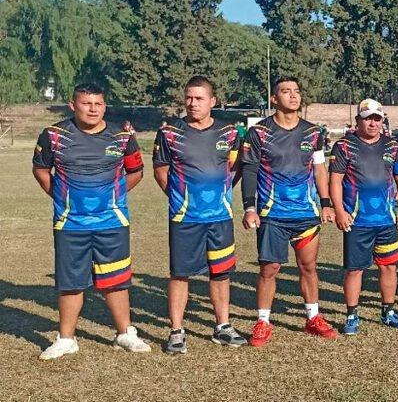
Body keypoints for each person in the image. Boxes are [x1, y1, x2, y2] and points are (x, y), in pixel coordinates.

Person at [33, 83, 150, 360]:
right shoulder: (53, 135)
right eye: (86, 103)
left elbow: (136, 172)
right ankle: (66, 339)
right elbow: (40, 170)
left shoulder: (122, 136)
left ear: (105, 106)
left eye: (98, 104)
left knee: (116, 279)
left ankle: (124, 334)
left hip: (112, 221)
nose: (93, 109)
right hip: (70, 223)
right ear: (73, 105)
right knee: (70, 281)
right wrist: (62, 197)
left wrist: (112, 198)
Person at [152, 76, 247, 354]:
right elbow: (161, 169)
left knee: (220, 273)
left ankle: (223, 327)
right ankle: (177, 331)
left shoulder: (229, 133)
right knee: (180, 274)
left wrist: (222, 195)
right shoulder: (170, 132)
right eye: (189, 98)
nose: (193, 104)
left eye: (199, 98)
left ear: (212, 102)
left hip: (219, 217)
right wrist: (179, 197)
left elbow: (235, 169)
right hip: (185, 218)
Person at [240, 76, 337, 347]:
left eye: (296, 91)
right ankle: (262, 322)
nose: (293, 96)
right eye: (285, 91)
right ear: (274, 98)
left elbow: (319, 168)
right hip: (272, 214)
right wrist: (250, 207)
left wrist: (326, 202)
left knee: (308, 267)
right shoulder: (259, 133)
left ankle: (313, 318)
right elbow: (249, 169)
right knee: (269, 269)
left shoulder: (313, 132)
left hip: (306, 212)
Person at [328, 99, 398, 334]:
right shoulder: (344, 146)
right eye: (368, 118)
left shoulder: (392, 146)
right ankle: (352, 315)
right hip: (357, 221)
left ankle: (389, 312)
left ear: (382, 120)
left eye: (377, 118)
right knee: (355, 270)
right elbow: (334, 181)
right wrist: (339, 210)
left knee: (389, 267)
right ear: (358, 120)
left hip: (386, 220)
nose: (373, 123)